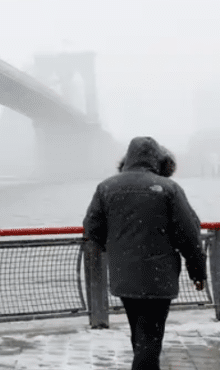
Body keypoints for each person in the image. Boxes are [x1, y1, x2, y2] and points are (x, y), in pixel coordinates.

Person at [83, 136, 207, 370]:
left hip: (124, 274)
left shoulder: (106, 187)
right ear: (159, 160)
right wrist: (197, 270)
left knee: (139, 333)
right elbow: (189, 233)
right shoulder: (168, 188)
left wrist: (116, 250)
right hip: (159, 276)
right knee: (151, 337)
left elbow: (92, 229)